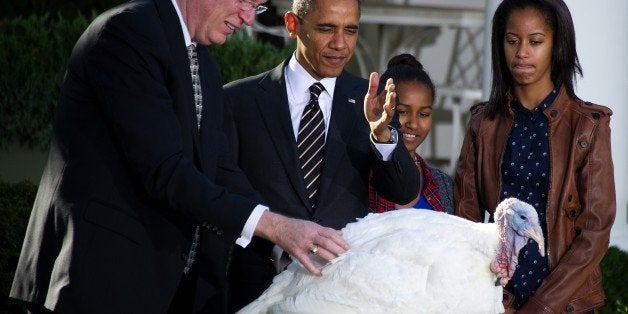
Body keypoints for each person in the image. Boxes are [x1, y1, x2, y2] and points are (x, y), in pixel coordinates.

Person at [9, 0, 351, 313]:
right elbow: (165, 170)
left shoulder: (203, 62)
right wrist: (276, 227)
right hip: (101, 280)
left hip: (171, 291)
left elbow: (217, 168)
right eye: (246, 2)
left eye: (257, 7)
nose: (248, 18)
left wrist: (287, 238)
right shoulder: (128, 33)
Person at [222, 0, 419, 311]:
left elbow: (403, 190)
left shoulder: (371, 103)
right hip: (256, 293)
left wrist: (382, 135)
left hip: (340, 295)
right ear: (292, 25)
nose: (340, 43)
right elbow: (217, 197)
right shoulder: (237, 102)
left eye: (350, 30)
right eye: (326, 28)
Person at [453, 0, 616, 312]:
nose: (522, 52)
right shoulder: (483, 124)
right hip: (495, 301)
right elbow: (465, 225)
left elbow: (595, 231)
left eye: (535, 41)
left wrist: (541, 306)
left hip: (567, 305)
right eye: (512, 41)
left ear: (557, 46)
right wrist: (497, 301)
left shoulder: (588, 126)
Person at [367, 53, 453, 214]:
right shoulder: (358, 174)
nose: (413, 124)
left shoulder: (443, 184)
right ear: (380, 109)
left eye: (424, 114)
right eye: (402, 111)